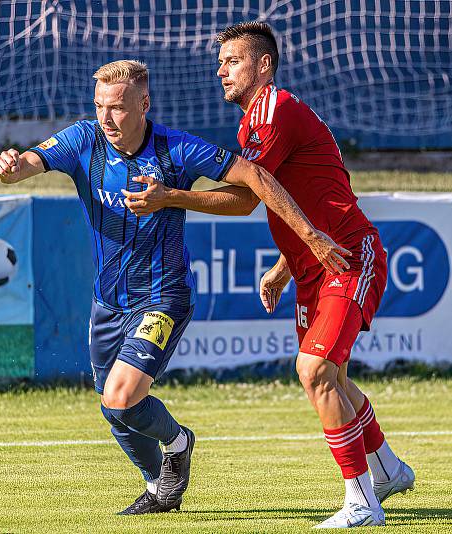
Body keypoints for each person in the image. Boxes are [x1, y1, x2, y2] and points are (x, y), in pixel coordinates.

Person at [0, 59, 350, 515]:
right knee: (114, 408)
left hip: (163, 297)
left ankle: (179, 442)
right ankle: (160, 485)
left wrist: (176, 197)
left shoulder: (176, 149)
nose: (107, 118)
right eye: (100, 106)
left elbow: (253, 180)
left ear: (144, 104)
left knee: (122, 396)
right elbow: (28, 163)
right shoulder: (84, 139)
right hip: (107, 304)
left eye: (118, 108)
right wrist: (10, 166)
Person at [123, 23, 415, 528]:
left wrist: (170, 196)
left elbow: (244, 199)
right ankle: (387, 469)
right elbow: (311, 193)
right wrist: (284, 266)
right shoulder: (254, 123)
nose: (220, 71)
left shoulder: (273, 111)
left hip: (345, 257)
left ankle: (363, 503)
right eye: (221, 63)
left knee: (314, 371)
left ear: (263, 65)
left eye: (232, 61)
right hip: (312, 267)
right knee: (334, 377)